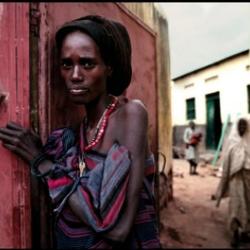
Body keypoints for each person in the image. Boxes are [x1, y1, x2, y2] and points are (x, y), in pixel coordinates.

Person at [0, 15, 161, 249]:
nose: (75, 75)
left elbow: (119, 231)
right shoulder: (75, 137)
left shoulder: (130, 115)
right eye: (67, 64)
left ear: (109, 68)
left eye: (87, 64)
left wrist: (42, 163)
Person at [214, 116, 250, 248]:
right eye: (240, 126)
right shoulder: (232, 141)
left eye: (244, 126)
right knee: (236, 206)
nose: (242, 128)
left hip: (248, 178)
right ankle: (235, 234)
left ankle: (245, 232)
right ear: (236, 127)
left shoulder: (249, 140)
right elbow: (226, 163)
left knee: (248, 205)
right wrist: (224, 183)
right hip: (235, 179)